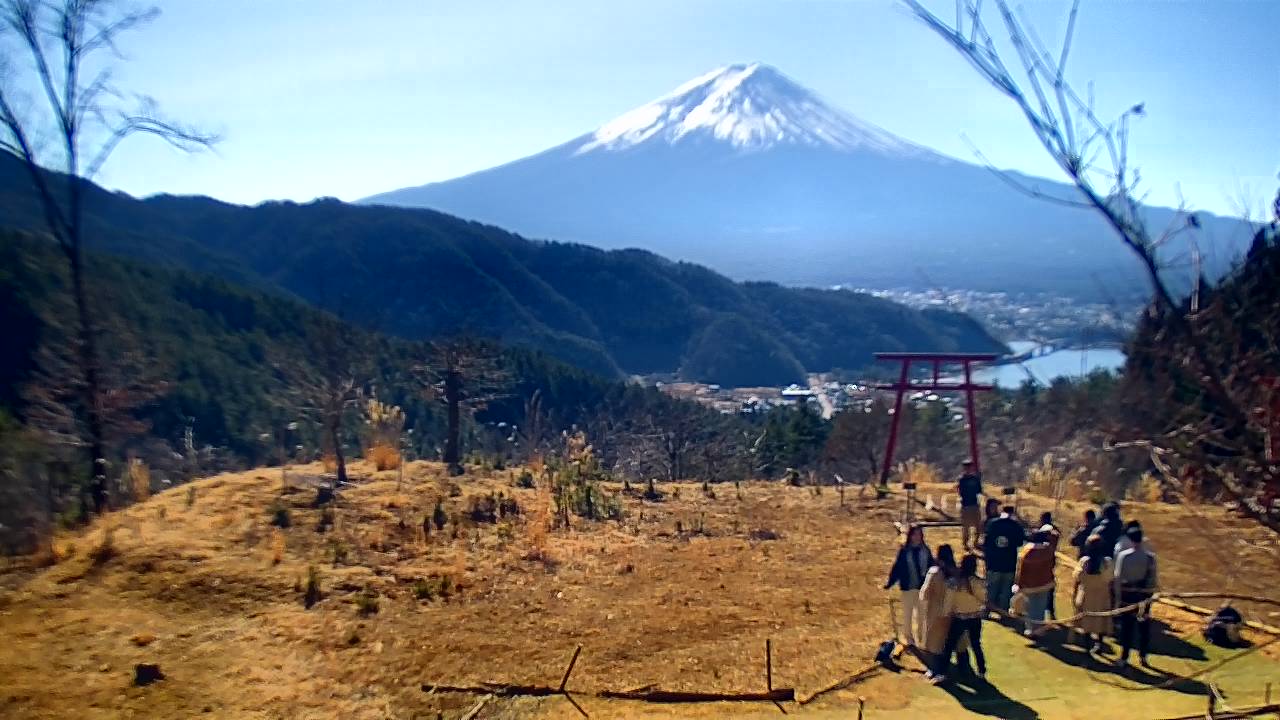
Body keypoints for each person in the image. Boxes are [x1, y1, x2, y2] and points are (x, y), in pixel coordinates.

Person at [927, 553, 988, 683]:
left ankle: (942, 673)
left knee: (949, 646)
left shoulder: (954, 583)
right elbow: (983, 599)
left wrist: (944, 614)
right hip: (975, 617)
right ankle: (982, 671)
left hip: (959, 618)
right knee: (976, 644)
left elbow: (949, 601)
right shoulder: (978, 582)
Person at [920, 544, 971, 668]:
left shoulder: (934, 573)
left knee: (936, 643)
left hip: (937, 613)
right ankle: (964, 668)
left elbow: (924, 594)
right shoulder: (958, 573)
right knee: (959, 642)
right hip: (955, 612)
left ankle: (937, 669)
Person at [1114, 526, 1159, 666]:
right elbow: (1153, 580)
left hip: (1127, 595)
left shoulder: (1124, 556)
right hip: (1144, 595)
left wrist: (1117, 597)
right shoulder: (1151, 558)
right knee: (1143, 627)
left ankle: (1124, 657)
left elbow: (1118, 577)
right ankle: (1143, 656)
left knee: (1127, 627)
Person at [884, 524, 933, 647]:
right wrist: (890, 583)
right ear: (910, 536)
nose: (917, 537)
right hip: (908, 587)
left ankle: (922, 639)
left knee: (922, 615)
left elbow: (931, 567)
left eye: (919, 534)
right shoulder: (904, 551)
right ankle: (909, 640)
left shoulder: (925, 551)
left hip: (922, 588)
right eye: (914, 534)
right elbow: (897, 568)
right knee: (908, 615)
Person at [1072, 534, 1114, 654]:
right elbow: (1111, 579)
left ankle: (1087, 647)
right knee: (1101, 622)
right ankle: (1099, 645)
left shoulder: (1084, 562)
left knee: (1087, 622)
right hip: (1102, 596)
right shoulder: (1107, 562)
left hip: (1086, 596)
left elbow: (1077, 578)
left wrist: (1074, 595)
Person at [1014, 526, 1058, 640]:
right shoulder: (1048, 551)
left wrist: (1018, 583)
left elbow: (1020, 570)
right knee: (1040, 607)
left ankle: (1031, 629)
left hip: (1029, 585)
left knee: (1030, 608)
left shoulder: (1026, 552)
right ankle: (1038, 629)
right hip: (1045, 583)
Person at [982, 505, 1025, 612]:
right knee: (1006, 590)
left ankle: (988, 610)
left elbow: (985, 543)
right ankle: (1003, 612)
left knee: (991, 589)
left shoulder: (992, 523)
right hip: (1009, 563)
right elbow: (1020, 542)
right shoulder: (1016, 526)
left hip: (993, 563)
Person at [1038, 512, 1061, 619]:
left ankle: (1044, 612)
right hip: (1049, 561)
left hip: (1042, 561)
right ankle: (1050, 612)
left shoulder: (1046, 529)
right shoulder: (1053, 529)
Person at [957, 460, 984, 548]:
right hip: (965, 505)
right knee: (966, 526)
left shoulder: (975, 479)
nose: (968, 469)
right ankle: (965, 543)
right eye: (966, 468)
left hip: (975, 505)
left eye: (970, 467)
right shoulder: (962, 480)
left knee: (978, 525)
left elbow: (979, 491)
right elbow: (960, 492)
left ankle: (976, 542)